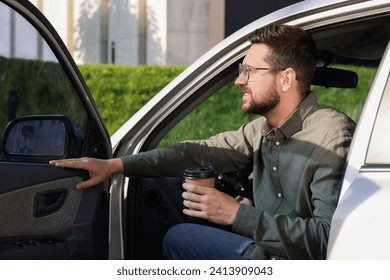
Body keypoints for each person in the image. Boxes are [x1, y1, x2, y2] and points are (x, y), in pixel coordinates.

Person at [50, 24, 356, 260]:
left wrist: (237, 215)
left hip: (289, 263)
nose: (239, 80)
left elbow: (327, 240)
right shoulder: (262, 130)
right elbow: (196, 153)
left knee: (178, 238)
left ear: (286, 79)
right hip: (267, 251)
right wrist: (116, 164)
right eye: (240, 71)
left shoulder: (330, 137)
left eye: (249, 71)